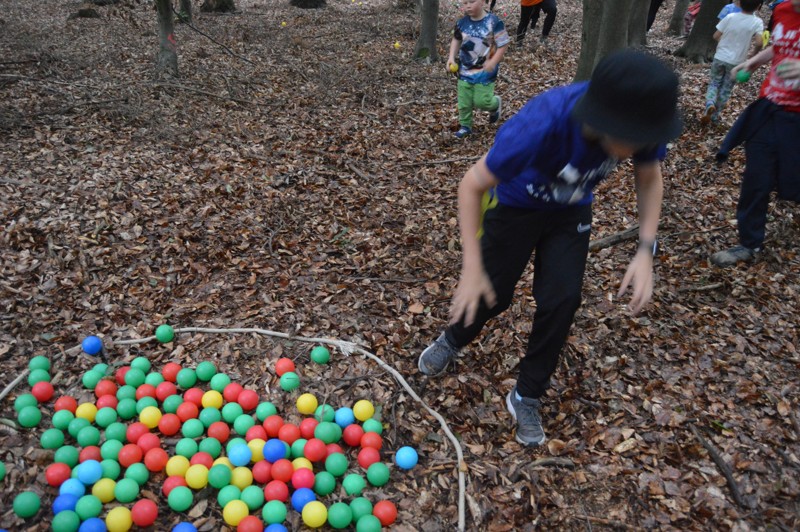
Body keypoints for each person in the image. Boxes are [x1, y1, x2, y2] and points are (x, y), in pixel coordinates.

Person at [418, 49, 682, 446]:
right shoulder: (542, 124)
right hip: (516, 206)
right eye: (635, 140)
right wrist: (471, 266)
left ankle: (526, 394)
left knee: (562, 299)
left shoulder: (638, 122)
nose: (640, 148)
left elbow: (649, 177)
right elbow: (472, 184)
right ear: (603, 120)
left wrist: (646, 248)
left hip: (570, 211)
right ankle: (452, 339)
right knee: (493, 292)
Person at [710, 0, 800, 267]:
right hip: (770, 109)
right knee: (756, 177)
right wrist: (752, 63)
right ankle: (749, 243)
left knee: (792, 180)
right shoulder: (783, 10)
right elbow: (779, 47)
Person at [448, 0, 510, 139]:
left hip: (485, 72)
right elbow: (456, 39)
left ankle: (495, 104)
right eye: (464, 2)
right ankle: (465, 126)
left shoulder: (494, 22)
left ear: (483, 1)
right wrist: (451, 57)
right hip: (465, 70)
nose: (468, 6)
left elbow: (503, 44)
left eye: (471, 1)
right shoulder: (462, 23)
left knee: (482, 102)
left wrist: (493, 62)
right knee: (464, 103)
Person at [701, 0, 764, 125]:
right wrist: (753, 54)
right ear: (758, 7)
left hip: (720, 57)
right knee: (726, 88)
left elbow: (715, 35)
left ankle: (709, 103)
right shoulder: (757, 22)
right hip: (737, 62)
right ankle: (714, 117)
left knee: (714, 83)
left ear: (739, 3)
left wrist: (722, 43)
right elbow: (759, 43)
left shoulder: (730, 17)